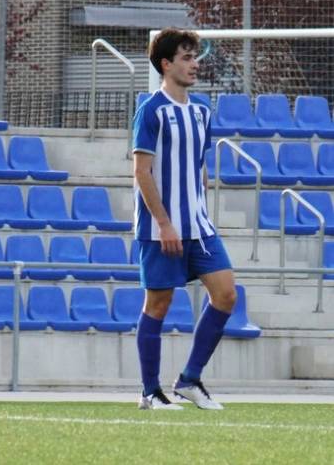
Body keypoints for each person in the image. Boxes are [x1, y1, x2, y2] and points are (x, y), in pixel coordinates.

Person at [132, 28, 237, 410]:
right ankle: (149, 391)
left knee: (226, 294)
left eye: (196, 57)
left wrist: (201, 210)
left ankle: (189, 380)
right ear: (166, 64)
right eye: (186, 57)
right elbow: (142, 172)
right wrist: (163, 222)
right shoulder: (150, 110)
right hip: (162, 228)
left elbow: (198, 167)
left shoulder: (202, 111)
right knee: (157, 304)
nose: (195, 65)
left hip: (200, 227)